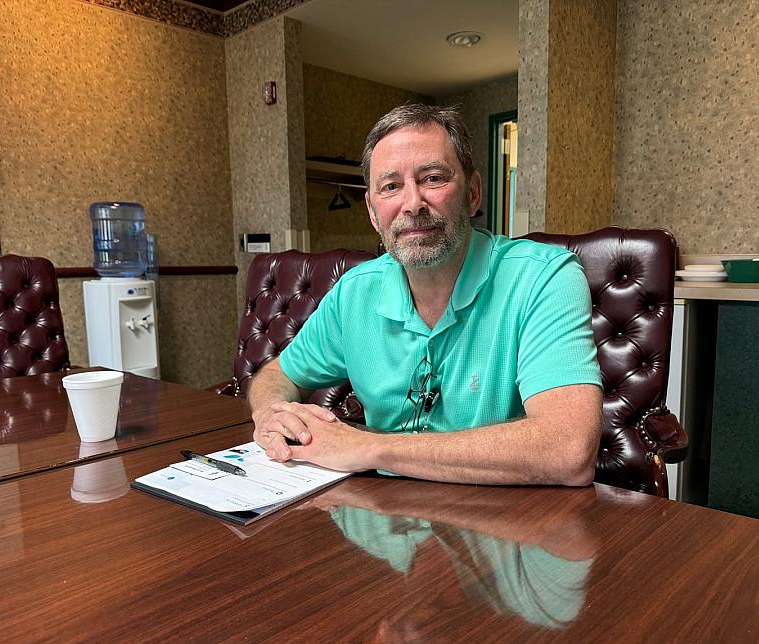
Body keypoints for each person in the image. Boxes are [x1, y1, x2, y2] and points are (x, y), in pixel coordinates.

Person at [248, 103, 603, 486]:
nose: (412, 204)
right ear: (372, 212)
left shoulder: (544, 277)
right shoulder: (354, 293)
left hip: (511, 527)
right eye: (391, 186)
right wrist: (271, 413)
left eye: (433, 178)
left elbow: (568, 449)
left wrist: (370, 448)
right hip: (386, 523)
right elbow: (276, 375)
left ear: (472, 193)